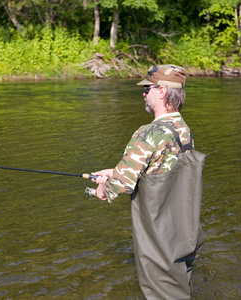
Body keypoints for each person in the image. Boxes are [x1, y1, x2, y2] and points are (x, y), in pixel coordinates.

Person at [92, 64, 206, 299]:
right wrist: (115, 170)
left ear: (162, 91)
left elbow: (119, 187)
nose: (144, 94)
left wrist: (103, 186)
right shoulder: (183, 129)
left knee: (162, 292)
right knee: (180, 286)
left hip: (159, 238)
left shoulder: (147, 133)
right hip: (186, 230)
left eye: (147, 89)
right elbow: (160, 166)